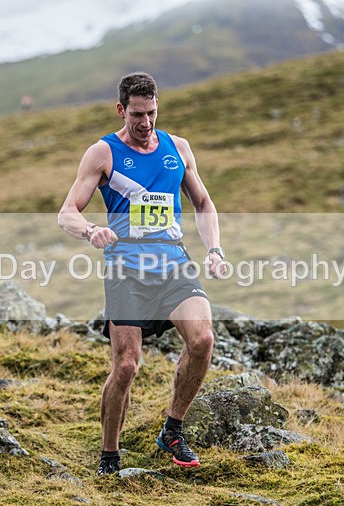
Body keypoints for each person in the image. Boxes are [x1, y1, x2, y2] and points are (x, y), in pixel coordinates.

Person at [58, 72, 226, 474]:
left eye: (151, 113)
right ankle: (110, 455)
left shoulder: (177, 148)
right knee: (128, 365)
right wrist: (90, 230)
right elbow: (66, 213)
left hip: (173, 263)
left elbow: (203, 203)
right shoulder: (103, 153)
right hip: (126, 269)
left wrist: (215, 249)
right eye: (137, 114)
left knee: (203, 339)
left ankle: (173, 428)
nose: (145, 122)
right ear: (121, 110)